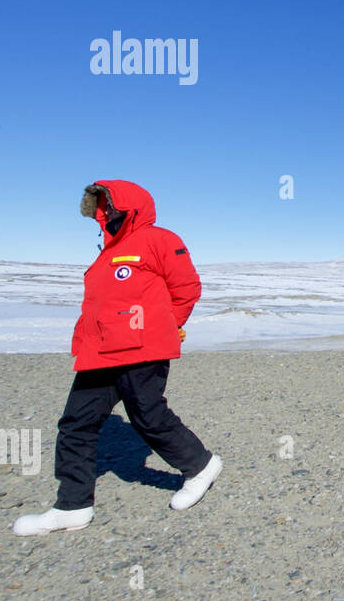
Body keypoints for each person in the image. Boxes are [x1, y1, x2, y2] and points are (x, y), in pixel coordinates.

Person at [13, 181, 223, 535]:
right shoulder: (107, 251)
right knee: (75, 423)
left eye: (111, 204)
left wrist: (165, 326)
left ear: (129, 204)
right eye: (102, 205)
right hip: (100, 350)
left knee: (147, 415)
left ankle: (200, 466)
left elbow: (187, 288)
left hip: (143, 346)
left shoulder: (159, 239)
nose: (107, 211)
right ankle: (72, 505)